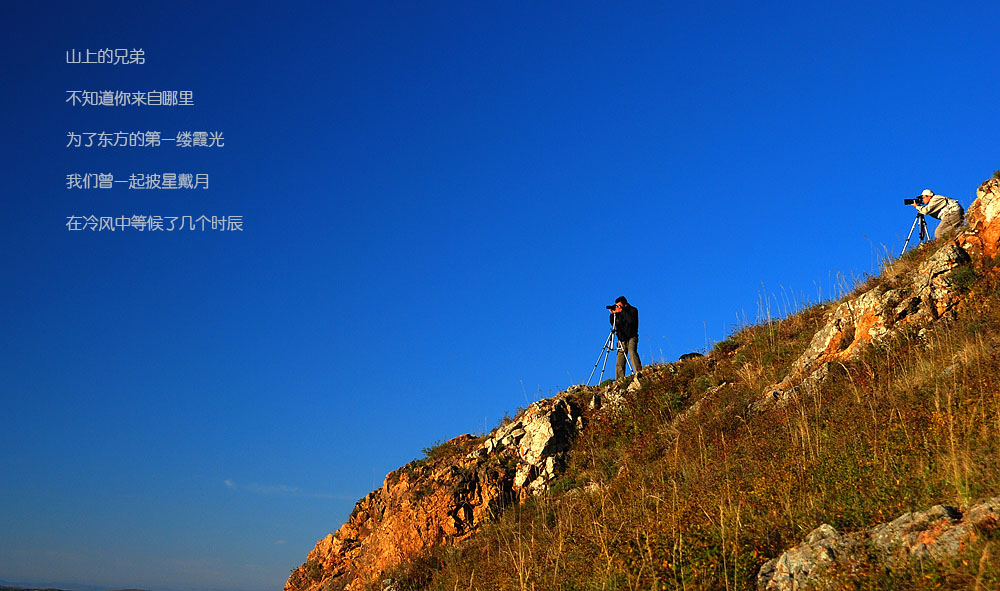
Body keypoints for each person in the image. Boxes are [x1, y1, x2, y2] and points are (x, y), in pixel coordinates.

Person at [609, 296, 641, 379]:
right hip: (622, 338)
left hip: (631, 336)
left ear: (625, 305)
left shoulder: (633, 310)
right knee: (620, 359)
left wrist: (622, 311)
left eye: (619, 305)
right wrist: (613, 314)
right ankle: (619, 379)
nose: (617, 307)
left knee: (632, 352)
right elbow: (613, 324)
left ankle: (638, 372)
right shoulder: (618, 313)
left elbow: (630, 320)